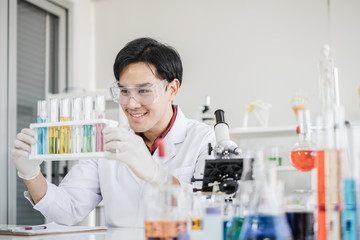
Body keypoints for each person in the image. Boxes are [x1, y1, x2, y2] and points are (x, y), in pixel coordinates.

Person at [11, 37, 216, 227]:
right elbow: (68, 210)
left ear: (172, 89)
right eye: (124, 91)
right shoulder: (107, 141)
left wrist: (157, 176)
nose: (131, 104)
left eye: (143, 91)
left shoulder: (204, 139)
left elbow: (212, 215)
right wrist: (30, 174)